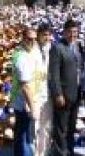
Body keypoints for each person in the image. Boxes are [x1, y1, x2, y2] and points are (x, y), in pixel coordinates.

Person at [49, 18, 81, 155]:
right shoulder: (57, 48)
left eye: (75, 32)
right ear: (64, 32)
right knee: (61, 128)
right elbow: (54, 73)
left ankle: (70, 151)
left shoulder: (78, 47)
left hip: (76, 94)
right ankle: (61, 152)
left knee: (72, 127)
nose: (72, 35)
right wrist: (58, 94)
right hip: (63, 94)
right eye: (70, 32)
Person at [10, 26, 40, 156]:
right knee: (25, 138)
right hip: (24, 101)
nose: (32, 42)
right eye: (29, 39)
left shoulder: (25, 52)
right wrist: (33, 107)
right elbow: (25, 84)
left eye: (35, 39)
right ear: (23, 39)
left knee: (21, 135)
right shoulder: (22, 57)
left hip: (23, 99)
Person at [35, 22, 54, 155]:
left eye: (48, 35)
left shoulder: (54, 49)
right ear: (38, 36)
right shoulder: (32, 49)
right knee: (35, 127)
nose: (46, 38)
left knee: (46, 127)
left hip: (48, 93)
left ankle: (45, 153)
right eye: (44, 35)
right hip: (35, 93)